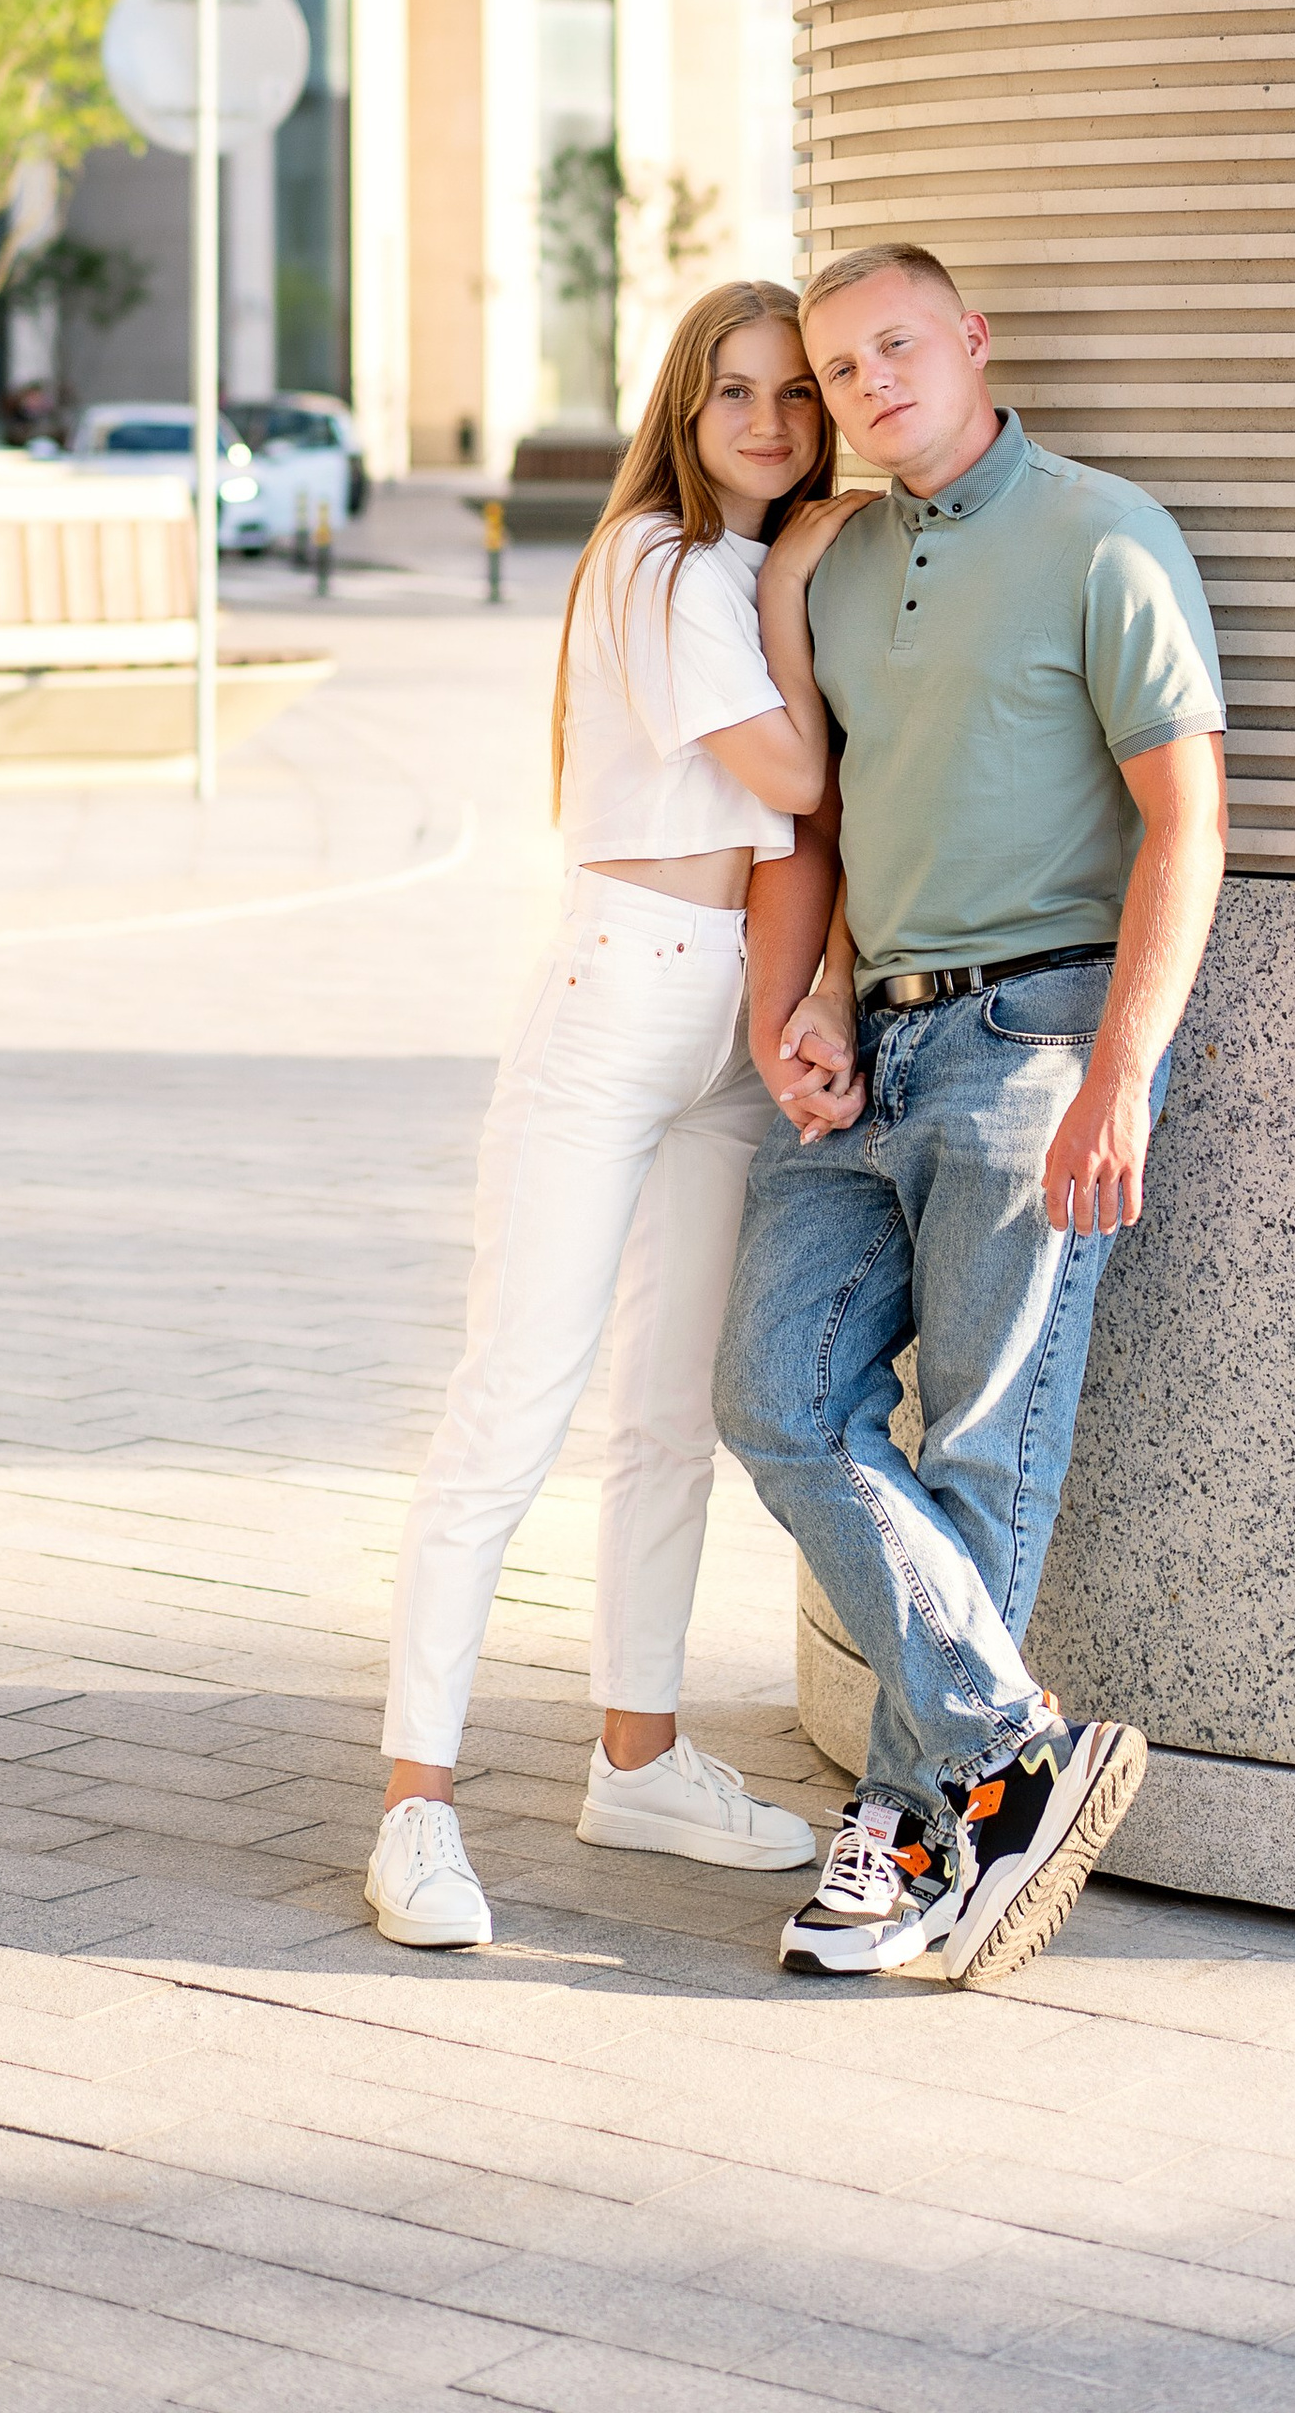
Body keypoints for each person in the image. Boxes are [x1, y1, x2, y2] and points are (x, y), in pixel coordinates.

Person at [715, 242, 1229, 1987]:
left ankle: (913, 1842)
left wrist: (1123, 1078)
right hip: (875, 1049)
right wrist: (818, 996)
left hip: (1036, 1045)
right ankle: (1011, 1746)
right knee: (778, 1401)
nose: (866, 387)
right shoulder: (839, 566)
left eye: (894, 348)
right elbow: (839, 817)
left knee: (981, 1456)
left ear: (972, 341)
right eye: (838, 372)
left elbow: (1191, 823)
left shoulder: (1102, 534)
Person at [368, 280, 843, 1949]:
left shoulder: (750, 567)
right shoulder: (660, 560)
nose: (771, 423)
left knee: (666, 1419)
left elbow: (795, 833)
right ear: (682, 411)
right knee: (515, 1399)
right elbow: (794, 779)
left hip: (727, 1020)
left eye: (796, 394)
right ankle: (415, 1804)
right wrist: (800, 577)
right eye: (737, 395)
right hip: (615, 997)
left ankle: (635, 1759)